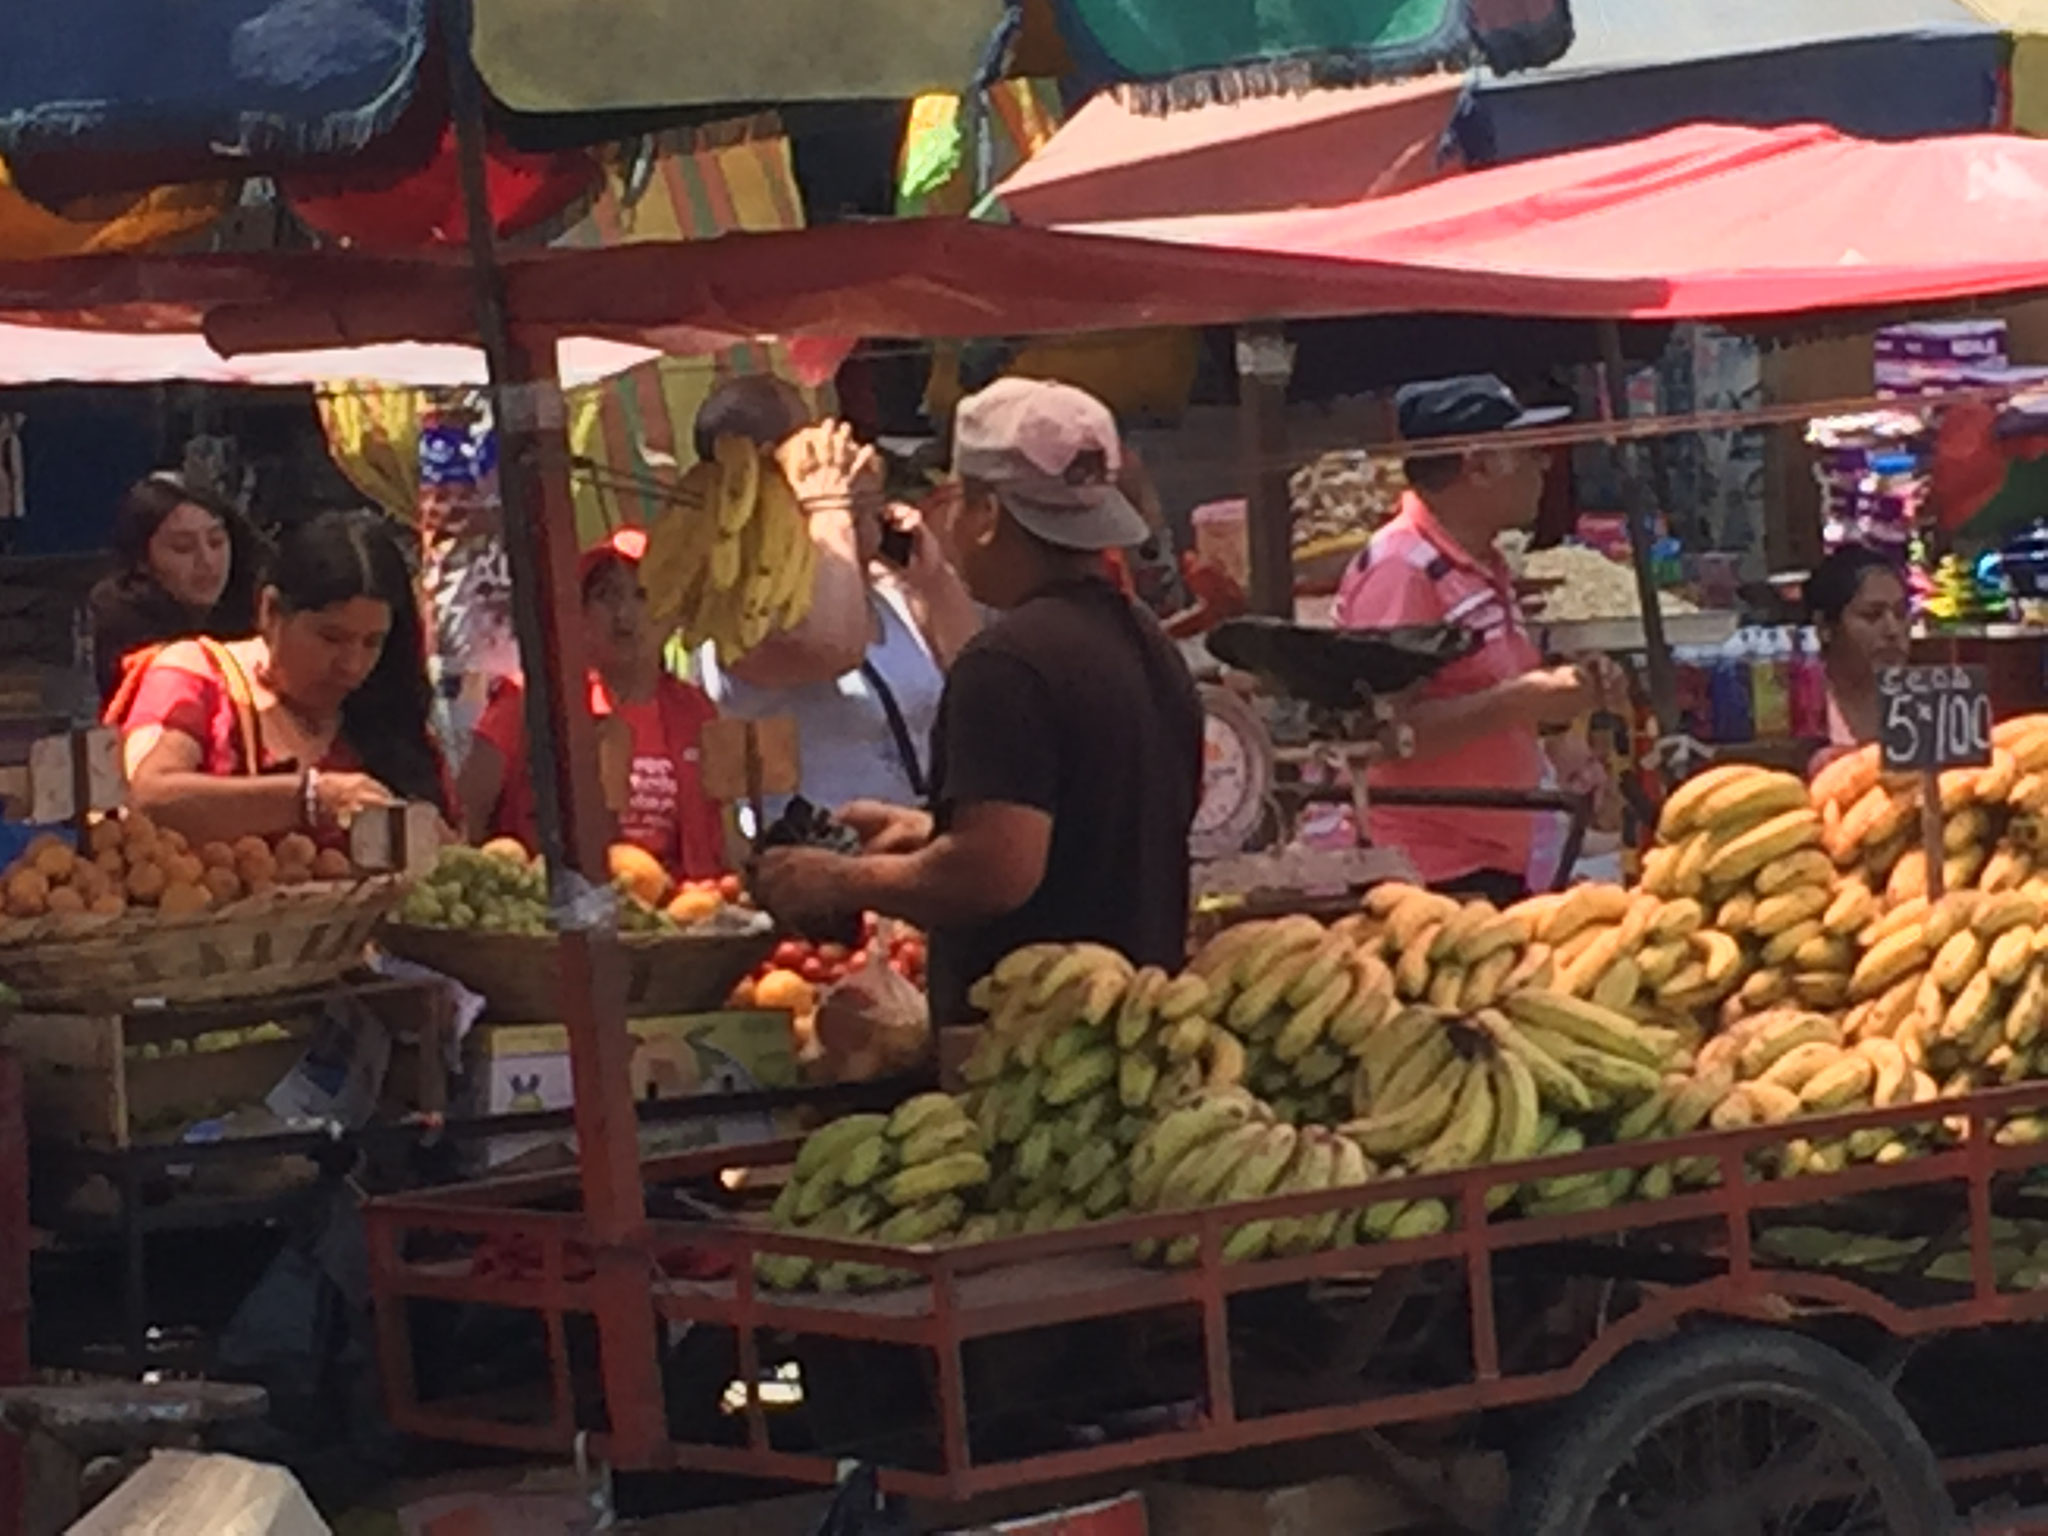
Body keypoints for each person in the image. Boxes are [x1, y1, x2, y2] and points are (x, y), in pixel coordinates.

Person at [751, 378, 1204, 1025]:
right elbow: (1083, 829)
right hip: (1138, 1021)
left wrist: (842, 879)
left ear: (988, 516)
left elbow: (994, 871)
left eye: (959, 501)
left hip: (1034, 1046)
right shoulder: (1145, 641)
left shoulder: (1007, 663)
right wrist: (926, 831)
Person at [1334, 375, 1609, 903]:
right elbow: (1383, 731)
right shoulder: (1403, 569)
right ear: (1477, 466)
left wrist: (1559, 713)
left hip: (1493, 858)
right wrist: (1520, 701)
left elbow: (1483, 689)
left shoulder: (1483, 564)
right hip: (1427, 875)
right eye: (1526, 453)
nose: (1543, 466)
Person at [694, 382, 979, 816]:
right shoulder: (739, 605)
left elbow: (973, 675)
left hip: (916, 840)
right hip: (817, 856)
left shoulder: (887, 591)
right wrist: (829, 510)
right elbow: (830, 647)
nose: (834, 446)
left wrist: (935, 580)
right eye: (812, 438)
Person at [107, 509, 447, 845]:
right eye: (331, 638)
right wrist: (310, 799)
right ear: (270, 610)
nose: (352, 665)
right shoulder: (196, 674)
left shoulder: (386, 709)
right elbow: (149, 799)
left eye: (372, 642)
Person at [459, 527, 727, 881]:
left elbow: (726, 832)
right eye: (606, 596)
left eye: (643, 595)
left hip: (679, 913)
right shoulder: (530, 698)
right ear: (578, 612)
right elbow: (466, 814)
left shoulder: (696, 712)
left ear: (674, 615)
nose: (625, 614)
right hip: (553, 914)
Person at [89, 473, 263, 704]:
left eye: (216, 541)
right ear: (142, 559)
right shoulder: (120, 617)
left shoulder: (258, 600)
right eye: (183, 547)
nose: (207, 561)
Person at [1807, 543, 1912, 757]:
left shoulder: (1927, 704)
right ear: (1825, 627)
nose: (1892, 630)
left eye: (1900, 614)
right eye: (1871, 615)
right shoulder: (1802, 706)